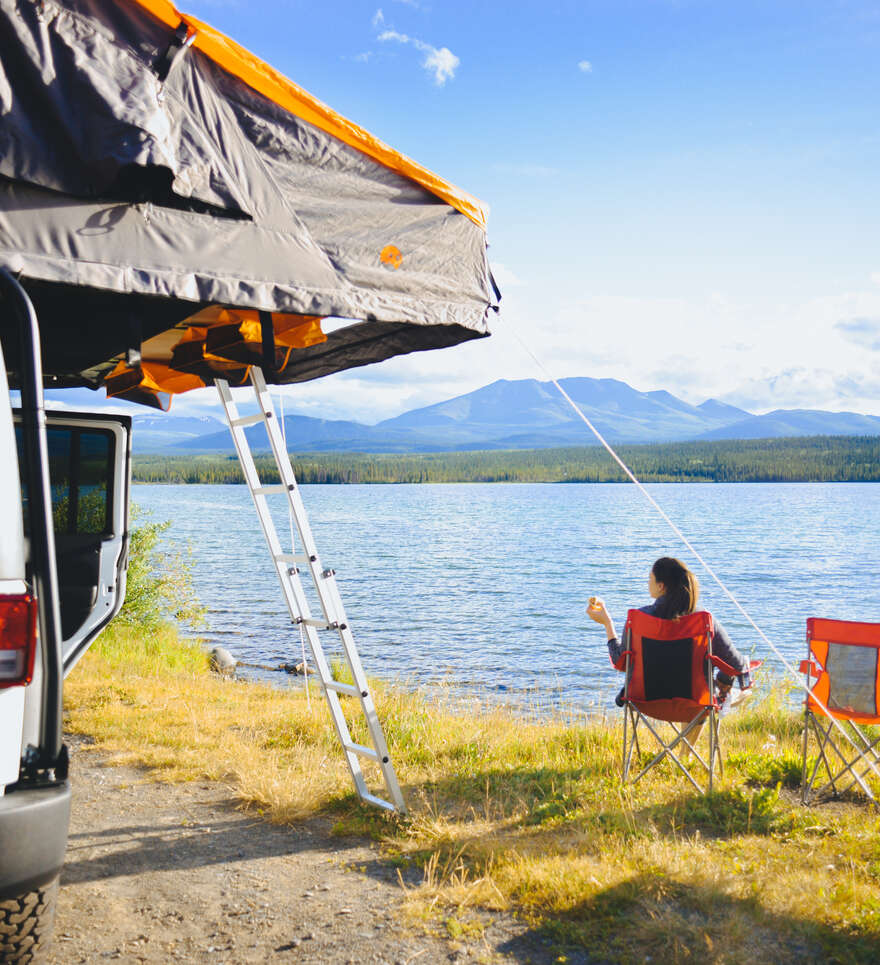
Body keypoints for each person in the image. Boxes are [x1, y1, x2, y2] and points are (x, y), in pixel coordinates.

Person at [586, 556, 749, 706]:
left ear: (661, 586)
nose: (647, 582)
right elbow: (736, 664)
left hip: (644, 700)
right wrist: (726, 677)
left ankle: (686, 737)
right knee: (718, 681)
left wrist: (607, 623)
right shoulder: (703, 620)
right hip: (695, 703)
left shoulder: (639, 619)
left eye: (649, 578)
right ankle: (690, 736)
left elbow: (620, 662)